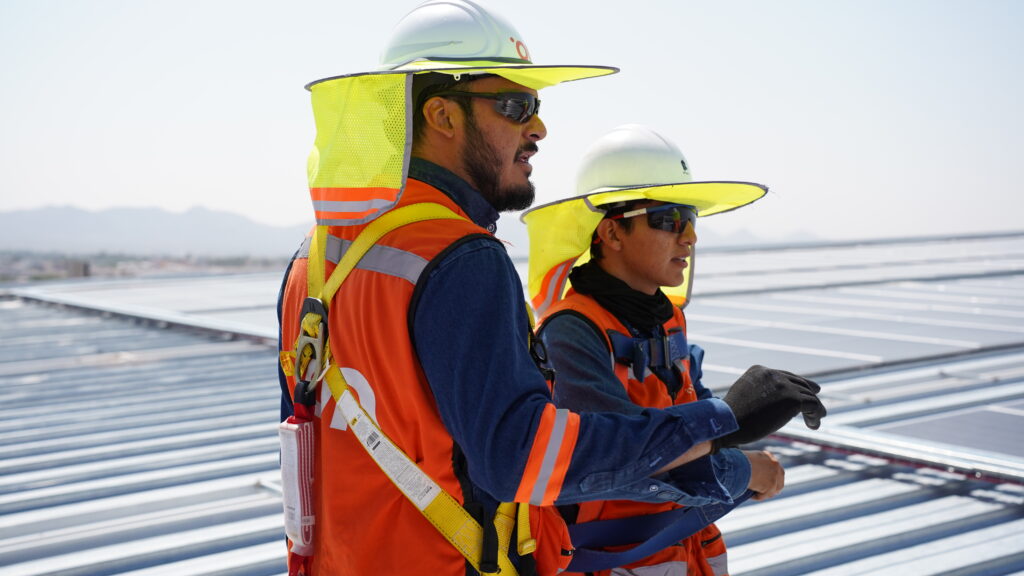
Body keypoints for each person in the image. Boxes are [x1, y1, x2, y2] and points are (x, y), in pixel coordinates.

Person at [276, 2, 825, 575]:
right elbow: (523, 458)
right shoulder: (461, 258)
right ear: (441, 115)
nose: (539, 129)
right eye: (516, 107)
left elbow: (303, 437)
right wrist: (719, 420)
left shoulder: (313, 260)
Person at [524, 124, 826, 576]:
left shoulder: (667, 321)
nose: (689, 237)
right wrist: (745, 466)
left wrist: (739, 427)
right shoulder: (572, 333)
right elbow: (620, 466)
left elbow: (694, 433)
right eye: (668, 219)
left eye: (691, 219)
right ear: (611, 232)